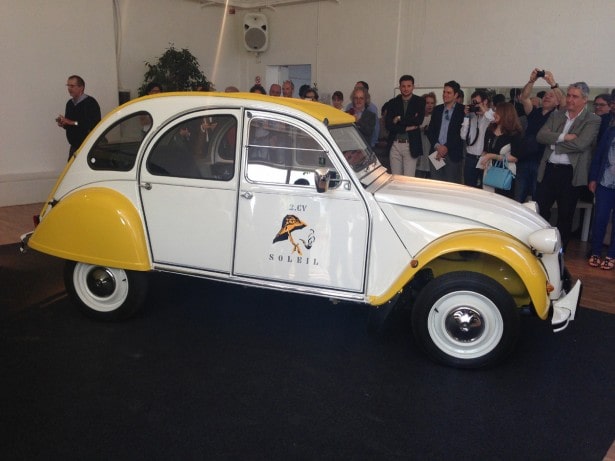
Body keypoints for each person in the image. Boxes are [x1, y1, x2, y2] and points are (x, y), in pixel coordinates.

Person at [535, 81, 601, 250]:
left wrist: (553, 143)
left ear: (584, 99)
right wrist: (564, 137)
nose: (570, 100)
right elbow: (541, 136)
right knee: (540, 209)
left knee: (565, 214)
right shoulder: (557, 115)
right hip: (549, 170)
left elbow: (581, 144)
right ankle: (538, 245)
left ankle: (559, 250)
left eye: (575, 97)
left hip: (571, 173)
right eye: (569, 95)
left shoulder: (592, 119)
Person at [515, 69, 565, 202]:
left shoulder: (557, 116)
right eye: (546, 95)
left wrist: (552, 83)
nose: (547, 97)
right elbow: (524, 97)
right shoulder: (534, 112)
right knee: (518, 197)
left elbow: (564, 102)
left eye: (551, 96)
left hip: (542, 162)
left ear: (557, 102)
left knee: (537, 198)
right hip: (525, 159)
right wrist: (532, 81)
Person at [478, 102, 524, 198]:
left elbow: (514, 158)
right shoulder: (490, 129)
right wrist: (483, 159)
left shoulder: (515, 133)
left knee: (502, 199)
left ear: (505, 114)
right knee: (487, 198)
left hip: (505, 173)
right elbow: (485, 150)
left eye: (497, 112)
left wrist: (492, 156)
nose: (494, 114)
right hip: (488, 171)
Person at [384, 74, 425, 176]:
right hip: (395, 143)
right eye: (403, 86)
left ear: (413, 87)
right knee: (395, 177)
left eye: (409, 86)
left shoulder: (419, 101)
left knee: (409, 178)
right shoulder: (393, 102)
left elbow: (418, 121)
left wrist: (399, 118)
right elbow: (389, 125)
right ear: (400, 87)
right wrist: (406, 128)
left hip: (410, 144)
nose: (406, 89)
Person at [426, 80, 465, 183]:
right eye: (444, 92)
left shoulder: (462, 110)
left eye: (449, 93)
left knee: (451, 185)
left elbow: (460, 134)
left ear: (455, 95)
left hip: (452, 154)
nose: (445, 95)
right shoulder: (437, 109)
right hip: (436, 152)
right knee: (436, 183)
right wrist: (437, 146)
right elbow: (431, 131)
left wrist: (446, 147)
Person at [587, 125, 615, 270]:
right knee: (599, 218)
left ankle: (612, 255)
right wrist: (593, 178)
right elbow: (598, 155)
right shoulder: (610, 130)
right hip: (605, 182)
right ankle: (596, 252)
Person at [56, 75, 101, 160]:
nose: (69, 88)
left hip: (89, 146)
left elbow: (91, 124)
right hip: (74, 146)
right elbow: (72, 124)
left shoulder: (91, 103)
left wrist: (71, 122)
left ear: (81, 87)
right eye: (68, 85)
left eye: (72, 86)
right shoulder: (69, 104)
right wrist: (64, 124)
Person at [461, 89, 494, 188]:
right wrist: (466, 117)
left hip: (485, 159)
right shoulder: (472, 117)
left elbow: (494, 121)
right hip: (470, 158)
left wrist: (484, 111)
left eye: (477, 103)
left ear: (485, 102)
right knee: (469, 188)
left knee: (486, 188)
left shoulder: (492, 115)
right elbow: (463, 136)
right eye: (473, 103)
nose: (475, 106)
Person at [346, 81, 379, 147]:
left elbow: (368, 132)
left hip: (364, 149)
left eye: (361, 98)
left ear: (366, 100)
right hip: (348, 148)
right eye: (356, 98)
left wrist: (359, 121)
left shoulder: (371, 115)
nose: (358, 101)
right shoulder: (347, 113)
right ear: (353, 99)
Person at [416, 92, 436, 178]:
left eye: (432, 103)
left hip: (432, 150)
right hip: (420, 151)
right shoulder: (417, 117)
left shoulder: (436, 117)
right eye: (427, 103)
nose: (430, 105)